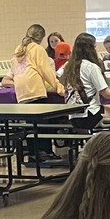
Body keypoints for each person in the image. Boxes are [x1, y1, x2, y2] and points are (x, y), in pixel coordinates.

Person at [7, 23, 65, 168]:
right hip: (34, 88)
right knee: (42, 123)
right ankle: (44, 153)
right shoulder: (38, 49)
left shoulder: (19, 48)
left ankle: (33, 154)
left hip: (21, 90)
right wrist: (58, 86)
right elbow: (45, 70)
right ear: (41, 37)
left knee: (30, 124)